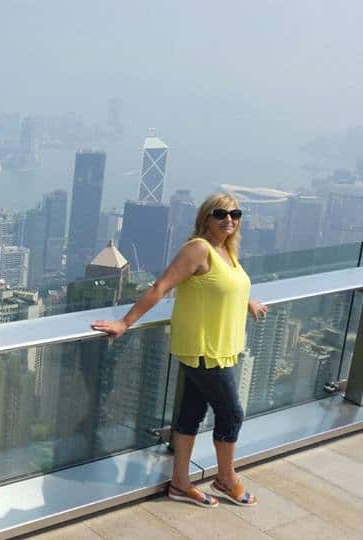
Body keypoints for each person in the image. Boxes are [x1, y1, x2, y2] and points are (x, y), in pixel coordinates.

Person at [92, 193, 266, 508]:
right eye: (220, 214)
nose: (229, 219)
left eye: (235, 214)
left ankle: (180, 483)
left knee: (191, 413)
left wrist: (247, 301)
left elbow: (224, 287)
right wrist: (125, 322)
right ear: (206, 218)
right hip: (203, 349)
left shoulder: (226, 250)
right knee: (232, 414)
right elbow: (161, 286)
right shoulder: (199, 249)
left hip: (221, 347)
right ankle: (226, 478)